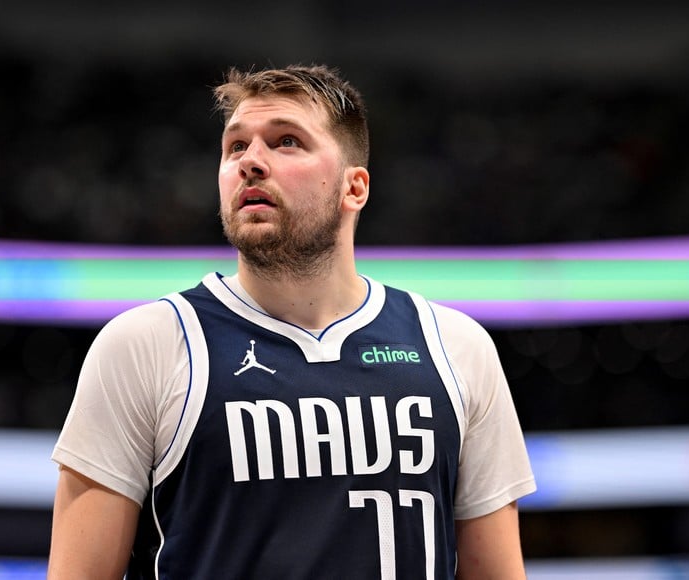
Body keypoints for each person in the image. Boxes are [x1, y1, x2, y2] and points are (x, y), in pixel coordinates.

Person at [48, 63, 536, 579]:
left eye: (286, 142)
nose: (250, 162)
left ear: (355, 188)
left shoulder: (456, 348)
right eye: (235, 146)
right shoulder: (144, 345)